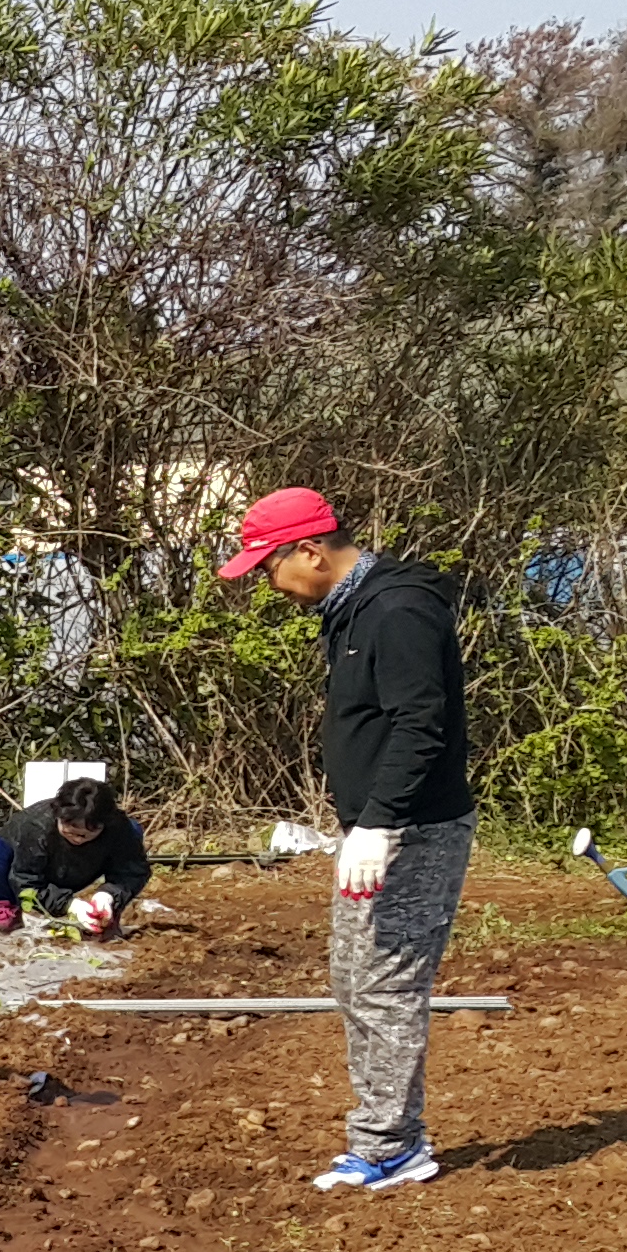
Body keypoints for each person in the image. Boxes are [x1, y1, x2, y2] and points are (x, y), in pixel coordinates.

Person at [230, 486, 472, 1192]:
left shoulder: (398, 612)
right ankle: (383, 1131)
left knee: (386, 983)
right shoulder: (350, 611)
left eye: (269, 567)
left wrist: (382, 820)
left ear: (310, 551)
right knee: (353, 977)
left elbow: (419, 724)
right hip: (377, 827)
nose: (269, 586)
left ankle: (392, 1144)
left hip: (412, 829)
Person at [0, 773, 154, 934]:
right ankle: (7, 911)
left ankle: (107, 913)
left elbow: (133, 870)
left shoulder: (119, 827)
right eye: (69, 829)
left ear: (105, 824)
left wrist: (109, 895)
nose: (78, 838)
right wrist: (69, 904)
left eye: (86, 834)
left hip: (84, 869)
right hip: (31, 874)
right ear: (58, 814)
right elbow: (24, 879)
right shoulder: (35, 825)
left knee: (133, 829)